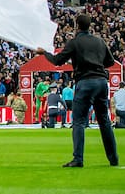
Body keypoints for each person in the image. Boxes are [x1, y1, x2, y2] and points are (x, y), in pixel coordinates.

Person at [35, 12, 119, 168]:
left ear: (76, 26)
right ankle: (113, 159)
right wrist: (96, 64)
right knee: (104, 121)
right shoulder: (99, 41)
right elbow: (110, 62)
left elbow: (57, 61)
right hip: (101, 82)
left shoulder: (74, 43)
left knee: (78, 121)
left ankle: (78, 158)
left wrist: (44, 53)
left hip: (85, 82)